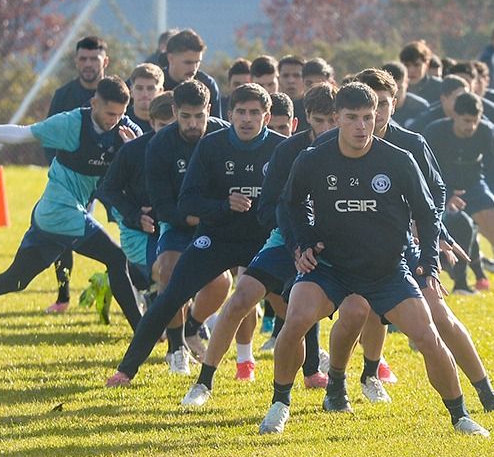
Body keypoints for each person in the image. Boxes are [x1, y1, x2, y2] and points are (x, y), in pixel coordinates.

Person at [259, 82, 492, 437]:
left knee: (428, 336)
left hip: (386, 271)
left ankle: (460, 416)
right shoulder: (313, 158)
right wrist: (300, 244)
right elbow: (289, 204)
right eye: (352, 118)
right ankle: (280, 405)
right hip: (330, 268)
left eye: (368, 117)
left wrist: (429, 265)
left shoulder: (398, 160)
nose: (361, 126)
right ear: (336, 118)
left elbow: (427, 213)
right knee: (296, 319)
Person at [0, 76, 145, 349]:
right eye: (110, 113)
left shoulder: (125, 128)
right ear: (94, 103)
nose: (115, 120)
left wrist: (136, 148)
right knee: (116, 257)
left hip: (57, 216)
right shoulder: (70, 123)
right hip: (58, 210)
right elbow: (20, 133)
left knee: (14, 280)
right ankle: (143, 334)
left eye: (122, 114)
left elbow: (151, 153)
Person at [107, 84, 286, 387]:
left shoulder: (281, 149)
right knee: (171, 289)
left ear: (266, 117)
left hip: (260, 240)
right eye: (241, 112)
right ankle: (130, 368)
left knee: (295, 301)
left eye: (254, 113)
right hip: (210, 234)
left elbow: (294, 202)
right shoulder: (196, 144)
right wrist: (221, 206)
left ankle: (315, 372)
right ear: (231, 114)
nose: (246, 119)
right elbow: (179, 204)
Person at [179, 85, 341, 407]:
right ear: (306, 117)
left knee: (316, 316)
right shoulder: (287, 151)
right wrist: (296, 242)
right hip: (287, 243)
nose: (324, 129)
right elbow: (269, 207)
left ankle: (341, 383)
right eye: (318, 121)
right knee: (241, 298)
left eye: (331, 122)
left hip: (335, 250)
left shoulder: (355, 153)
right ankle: (203, 383)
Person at [144, 80, 231, 373]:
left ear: (209, 109)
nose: (193, 124)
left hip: (217, 223)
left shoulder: (224, 135)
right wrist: (196, 218)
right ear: (174, 110)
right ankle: (176, 347)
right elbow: (162, 206)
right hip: (180, 225)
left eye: (199, 116)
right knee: (170, 270)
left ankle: (192, 327)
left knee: (222, 284)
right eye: (185, 117)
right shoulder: (160, 145)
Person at [422, 93, 494, 301]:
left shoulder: (486, 131)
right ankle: (430, 289)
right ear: (454, 116)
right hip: (439, 190)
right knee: (433, 237)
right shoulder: (435, 132)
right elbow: (422, 167)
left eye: (475, 121)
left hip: (475, 187)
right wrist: (446, 194)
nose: (471, 126)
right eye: (466, 121)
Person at [42, 36, 110, 313]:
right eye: (83, 59)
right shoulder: (64, 96)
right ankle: (63, 297)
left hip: (109, 177)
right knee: (64, 234)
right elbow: (49, 138)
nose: (88, 64)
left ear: (105, 61)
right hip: (75, 181)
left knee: (131, 227)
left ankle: (117, 281)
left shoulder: (117, 92)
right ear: (76, 61)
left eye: (94, 59)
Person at [99, 91, 176, 291]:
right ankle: (136, 279)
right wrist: (135, 215)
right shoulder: (133, 151)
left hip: (179, 229)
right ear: (151, 123)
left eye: (174, 127)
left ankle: (142, 285)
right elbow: (109, 188)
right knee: (169, 275)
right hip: (141, 234)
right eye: (163, 127)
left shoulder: (195, 147)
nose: (169, 134)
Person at [162, 28, 223, 119]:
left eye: (197, 62)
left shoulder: (207, 85)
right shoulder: (155, 84)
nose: (193, 68)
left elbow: (216, 127)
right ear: (171, 58)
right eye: (188, 62)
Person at [381, 61, 429, 128]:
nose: (395, 94)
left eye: (399, 88)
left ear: (407, 82)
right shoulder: (374, 110)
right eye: (389, 90)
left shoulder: (421, 107)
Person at [126, 63, 164, 135]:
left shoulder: (168, 124)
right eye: (139, 88)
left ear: (161, 91)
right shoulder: (120, 122)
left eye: (150, 88)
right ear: (131, 91)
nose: (145, 94)